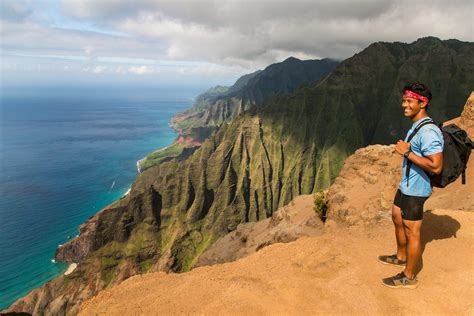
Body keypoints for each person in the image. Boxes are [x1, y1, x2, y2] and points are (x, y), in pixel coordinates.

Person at [379, 82, 444, 288]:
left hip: (417, 189)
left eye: (409, 101)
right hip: (406, 185)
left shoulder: (429, 132)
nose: (404, 105)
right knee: (397, 215)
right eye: (403, 100)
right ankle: (401, 256)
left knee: (412, 231)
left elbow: (436, 166)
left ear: (422, 103)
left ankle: (408, 276)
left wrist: (407, 153)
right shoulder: (417, 126)